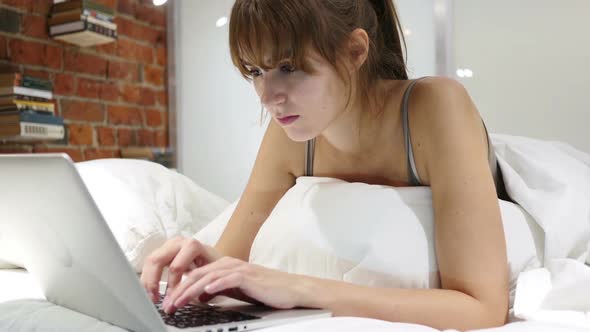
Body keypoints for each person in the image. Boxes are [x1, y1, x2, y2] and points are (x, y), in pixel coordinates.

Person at [141, 0, 510, 330]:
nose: (268, 97)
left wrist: (300, 288)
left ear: (355, 51)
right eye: (255, 71)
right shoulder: (288, 134)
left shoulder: (437, 108)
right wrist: (205, 266)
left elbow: (482, 307)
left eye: (288, 67)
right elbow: (232, 257)